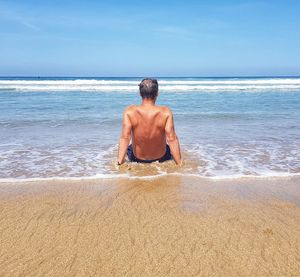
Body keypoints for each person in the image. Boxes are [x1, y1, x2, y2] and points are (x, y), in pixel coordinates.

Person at [117, 78, 182, 165]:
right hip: (161, 158)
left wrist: (119, 162)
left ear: (140, 93)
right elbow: (172, 138)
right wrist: (179, 163)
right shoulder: (165, 112)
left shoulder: (130, 111)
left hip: (137, 158)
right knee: (168, 147)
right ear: (157, 93)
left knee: (129, 147)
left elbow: (125, 138)